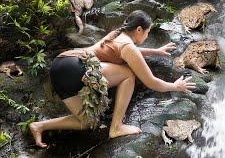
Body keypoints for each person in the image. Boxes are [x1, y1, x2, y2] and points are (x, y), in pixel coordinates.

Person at [29, 10, 196, 148]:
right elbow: (151, 81)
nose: (147, 35)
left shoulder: (116, 35)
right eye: (148, 32)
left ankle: (39, 126)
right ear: (139, 30)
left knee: (86, 122)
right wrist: (175, 86)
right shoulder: (128, 46)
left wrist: (156, 51)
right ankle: (116, 126)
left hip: (61, 66)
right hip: (76, 66)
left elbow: (127, 52)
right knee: (128, 74)